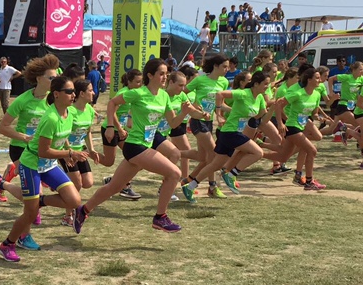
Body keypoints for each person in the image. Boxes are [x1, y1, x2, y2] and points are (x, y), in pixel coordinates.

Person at [73, 59, 196, 234]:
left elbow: (173, 123)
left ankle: (83, 210)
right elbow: (112, 103)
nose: (165, 77)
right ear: (150, 75)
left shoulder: (163, 96)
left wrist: (184, 112)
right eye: (161, 73)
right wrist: (110, 127)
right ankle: (160, 217)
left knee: (114, 187)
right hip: (135, 145)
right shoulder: (138, 93)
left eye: (166, 74)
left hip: (145, 145)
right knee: (174, 173)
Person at [0, 76, 85, 262]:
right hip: (31, 164)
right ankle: (7, 245)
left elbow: (62, 137)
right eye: (69, 91)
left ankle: (38, 201)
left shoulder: (69, 113)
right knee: (30, 214)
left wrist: (67, 150)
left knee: (74, 200)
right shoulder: (50, 118)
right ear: (56, 94)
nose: (74, 95)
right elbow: (43, 151)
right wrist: (69, 154)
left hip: (49, 165)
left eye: (74, 91)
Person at [0, 54, 59, 240]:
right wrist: (24, 137)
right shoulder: (22, 100)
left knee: (34, 195)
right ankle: (24, 235)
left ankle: (0, 183)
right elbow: (2, 127)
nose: (55, 81)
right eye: (51, 78)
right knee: (32, 195)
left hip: (41, 150)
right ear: (39, 79)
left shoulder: (53, 100)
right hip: (20, 149)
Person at [182, 71, 268, 199]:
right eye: (265, 84)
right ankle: (231, 174)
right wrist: (218, 112)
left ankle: (190, 187)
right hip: (230, 132)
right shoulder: (243, 93)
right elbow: (220, 94)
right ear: (256, 84)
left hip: (233, 132)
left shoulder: (260, 97)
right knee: (258, 153)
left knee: (215, 165)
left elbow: (261, 114)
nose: (268, 86)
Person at [274, 67, 326, 190]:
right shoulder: (298, 93)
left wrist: (319, 118)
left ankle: (259, 150)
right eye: (317, 78)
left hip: (302, 126)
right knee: (312, 150)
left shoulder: (317, 94)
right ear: (309, 80)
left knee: (282, 156)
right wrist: (280, 123)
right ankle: (309, 182)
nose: (320, 80)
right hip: (292, 126)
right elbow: (278, 104)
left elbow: (314, 113)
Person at [58, 79, 100, 226]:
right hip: (67, 151)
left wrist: (92, 149)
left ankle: (59, 179)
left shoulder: (89, 109)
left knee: (88, 182)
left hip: (80, 151)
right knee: (76, 184)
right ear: (81, 94)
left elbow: (87, 131)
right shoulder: (70, 111)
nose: (93, 93)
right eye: (90, 90)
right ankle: (68, 216)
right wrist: (69, 152)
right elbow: (63, 133)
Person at [100, 69, 143, 200]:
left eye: (141, 82)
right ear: (129, 82)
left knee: (137, 158)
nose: (140, 84)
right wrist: (116, 128)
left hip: (122, 131)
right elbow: (111, 110)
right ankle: (88, 152)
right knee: (109, 162)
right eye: (137, 82)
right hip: (111, 129)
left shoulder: (135, 94)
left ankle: (121, 183)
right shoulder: (123, 93)